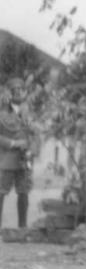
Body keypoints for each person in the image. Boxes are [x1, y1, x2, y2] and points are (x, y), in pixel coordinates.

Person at [0, 78, 33, 228]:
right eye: (15, 91)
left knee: (24, 192)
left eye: (21, 90)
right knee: (1, 192)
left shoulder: (29, 112)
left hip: (25, 160)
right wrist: (14, 143)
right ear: (10, 93)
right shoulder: (2, 113)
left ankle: (22, 227)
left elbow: (36, 134)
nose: (18, 93)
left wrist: (32, 149)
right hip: (7, 158)